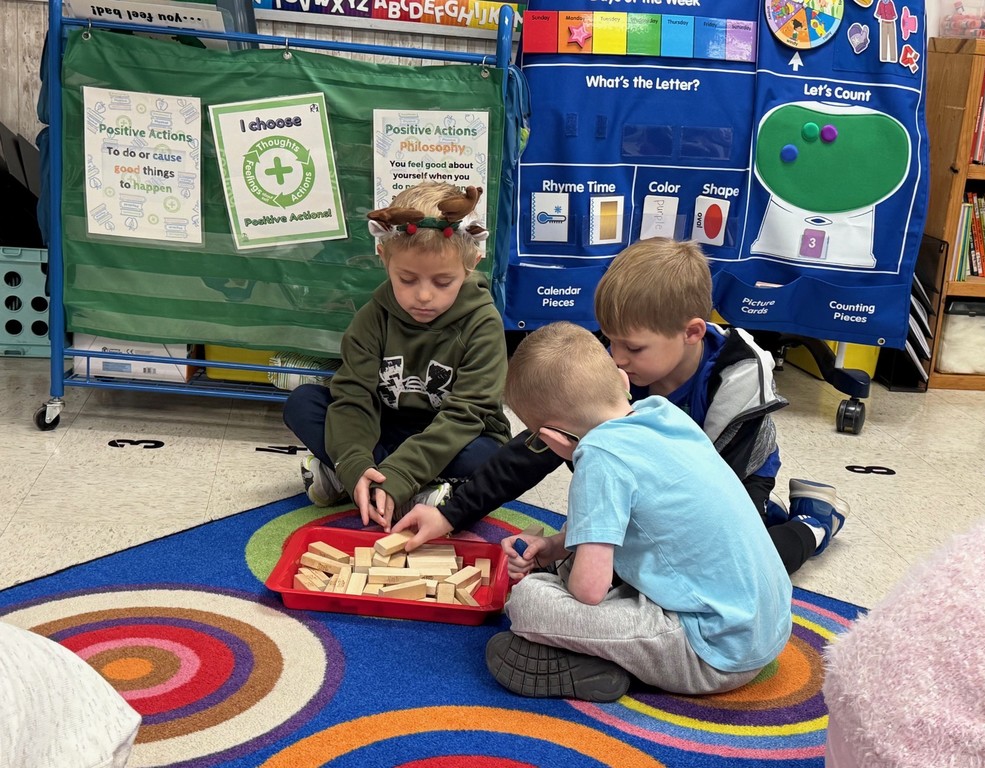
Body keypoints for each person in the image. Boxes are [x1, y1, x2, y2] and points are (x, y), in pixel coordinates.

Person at [393, 237, 848, 573]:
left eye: (632, 347)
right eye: (609, 340)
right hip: (654, 480)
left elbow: (704, 506)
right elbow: (538, 444)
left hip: (732, 478)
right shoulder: (627, 365)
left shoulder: (737, 382)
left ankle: (814, 523)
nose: (616, 359)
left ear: (691, 332)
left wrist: (594, 551)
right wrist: (451, 513)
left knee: (746, 564)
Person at [484, 322, 793, 701]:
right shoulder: (663, 414)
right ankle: (606, 651)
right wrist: (554, 546)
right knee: (574, 560)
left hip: (712, 654)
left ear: (551, 438)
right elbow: (640, 518)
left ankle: (601, 662)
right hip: (767, 626)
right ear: (621, 380)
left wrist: (553, 577)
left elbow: (588, 591)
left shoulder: (600, 456)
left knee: (529, 602)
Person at [283, 182, 511, 528]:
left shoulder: (483, 324)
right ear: (384, 259)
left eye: (442, 282)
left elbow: (466, 415)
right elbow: (354, 396)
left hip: (453, 435)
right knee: (303, 403)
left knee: (491, 457)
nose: (423, 296)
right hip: (385, 427)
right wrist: (355, 461)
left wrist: (400, 470)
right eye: (406, 279)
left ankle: (356, 479)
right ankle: (380, 482)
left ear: (473, 263)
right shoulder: (373, 316)